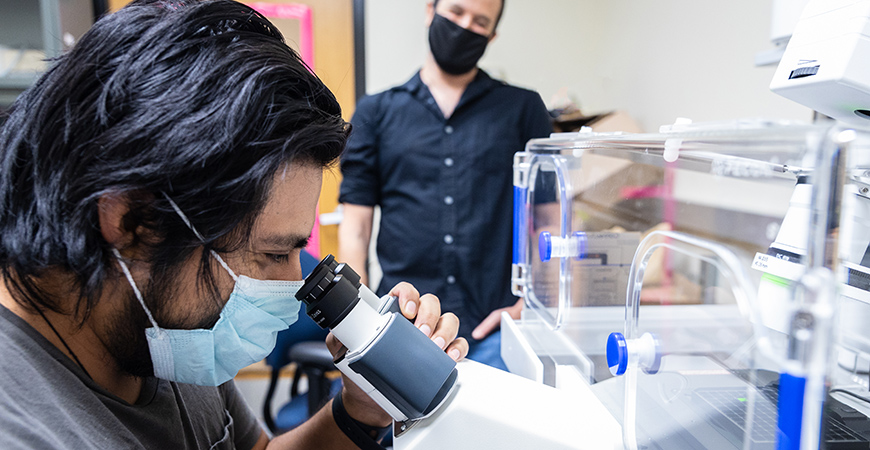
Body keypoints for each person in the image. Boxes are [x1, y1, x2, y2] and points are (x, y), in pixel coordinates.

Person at [0, 1, 468, 449]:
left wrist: (360, 408)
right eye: (272, 254)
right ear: (132, 221)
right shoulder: (24, 427)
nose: (295, 282)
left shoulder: (166, 334)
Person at [338, 0, 552, 370]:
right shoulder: (376, 112)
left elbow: (549, 221)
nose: (465, 26)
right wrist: (360, 318)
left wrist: (534, 303)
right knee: (402, 427)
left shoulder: (523, 109)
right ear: (430, 11)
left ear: (493, 35)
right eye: (456, 12)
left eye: (480, 21)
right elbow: (355, 228)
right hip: (403, 325)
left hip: (496, 333)